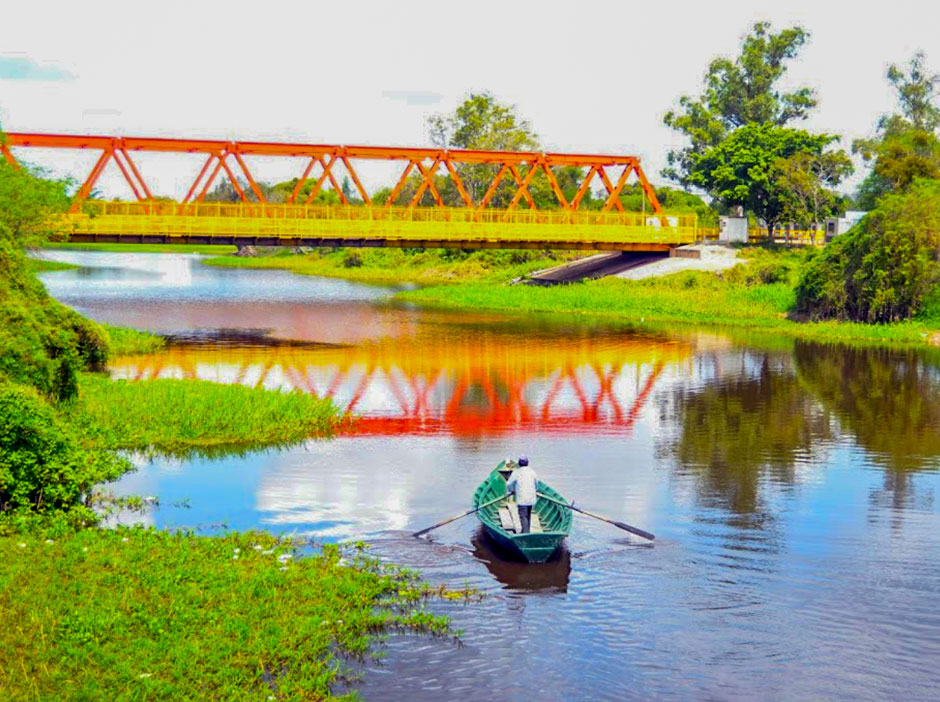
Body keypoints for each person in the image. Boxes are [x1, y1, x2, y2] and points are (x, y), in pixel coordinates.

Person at [505, 456, 537, 533]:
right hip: (531, 497)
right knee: (528, 515)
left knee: (523, 516)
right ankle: (526, 531)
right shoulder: (532, 472)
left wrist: (511, 491)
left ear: (519, 464)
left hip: (522, 498)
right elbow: (536, 484)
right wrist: (536, 490)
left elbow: (509, 484)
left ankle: (525, 534)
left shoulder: (517, 472)